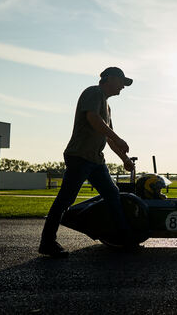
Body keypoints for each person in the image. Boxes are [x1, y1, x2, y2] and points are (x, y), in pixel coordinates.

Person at [39, 67, 135, 258]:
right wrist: (119, 138)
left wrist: (124, 159)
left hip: (95, 160)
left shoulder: (107, 106)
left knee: (113, 194)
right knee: (66, 199)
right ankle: (47, 242)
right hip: (80, 156)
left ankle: (125, 239)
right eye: (122, 82)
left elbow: (108, 139)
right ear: (110, 79)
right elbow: (93, 118)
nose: (123, 87)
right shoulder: (93, 92)